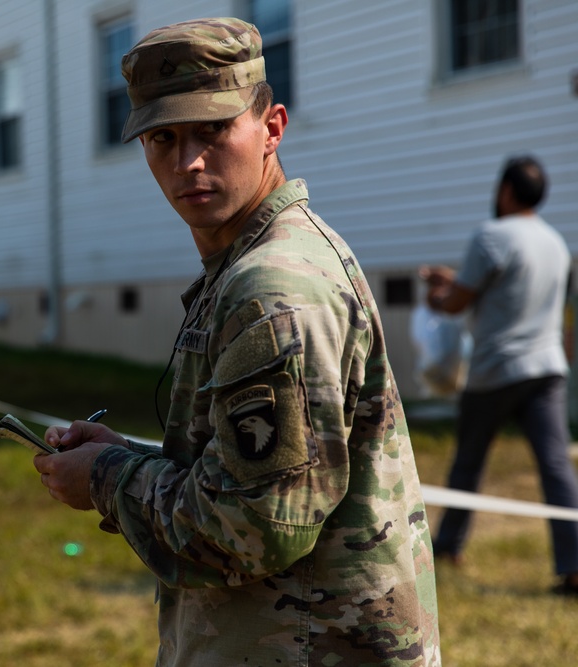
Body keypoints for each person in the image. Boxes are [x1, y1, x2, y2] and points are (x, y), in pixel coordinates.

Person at [33, 18, 440, 665]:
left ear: (272, 127)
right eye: (163, 137)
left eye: (213, 131)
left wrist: (108, 477)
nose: (188, 161)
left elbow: (252, 527)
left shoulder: (272, 288)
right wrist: (132, 453)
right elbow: (252, 471)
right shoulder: (251, 265)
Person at [422, 155, 578, 595]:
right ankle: (574, 565)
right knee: (555, 467)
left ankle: (448, 547)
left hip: (496, 370)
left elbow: (457, 303)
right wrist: (455, 282)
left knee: (468, 463)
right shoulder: (555, 243)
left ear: (506, 191)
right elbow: (508, 289)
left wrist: (436, 295)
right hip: (547, 369)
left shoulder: (490, 235)